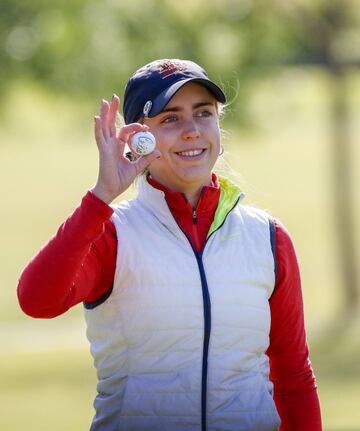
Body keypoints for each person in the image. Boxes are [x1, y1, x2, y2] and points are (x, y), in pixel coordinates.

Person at [17, 59, 322, 431]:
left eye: (203, 113)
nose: (192, 131)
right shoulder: (110, 234)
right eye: (170, 119)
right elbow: (37, 300)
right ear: (137, 140)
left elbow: (293, 377)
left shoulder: (269, 238)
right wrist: (101, 197)